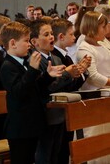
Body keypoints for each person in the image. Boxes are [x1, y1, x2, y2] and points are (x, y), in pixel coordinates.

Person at [0, 21, 65, 164]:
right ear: (13, 43)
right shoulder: (8, 66)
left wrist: (48, 76)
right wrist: (33, 71)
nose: (29, 44)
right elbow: (19, 92)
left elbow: (34, 88)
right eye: (26, 41)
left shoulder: (22, 62)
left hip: (30, 125)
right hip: (20, 128)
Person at [29, 20, 89, 164]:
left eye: (51, 33)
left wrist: (80, 72)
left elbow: (66, 86)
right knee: (45, 155)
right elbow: (48, 87)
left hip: (60, 113)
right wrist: (67, 74)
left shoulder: (55, 58)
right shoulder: (35, 60)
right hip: (45, 114)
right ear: (35, 41)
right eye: (46, 34)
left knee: (56, 153)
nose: (51, 37)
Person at [51, 18, 91, 164]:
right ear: (61, 37)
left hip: (67, 109)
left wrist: (83, 71)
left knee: (65, 148)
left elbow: (73, 84)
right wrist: (76, 73)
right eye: (71, 35)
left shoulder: (65, 55)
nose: (74, 38)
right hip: (58, 111)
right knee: (59, 150)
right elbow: (64, 85)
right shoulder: (55, 56)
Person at [76, 11, 110, 163]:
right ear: (94, 27)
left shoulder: (103, 43)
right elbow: (94, 77)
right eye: (103, 26)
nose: (106, 29)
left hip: (106, 94)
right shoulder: (84, 48)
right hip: (94, 96)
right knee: (95, 136)